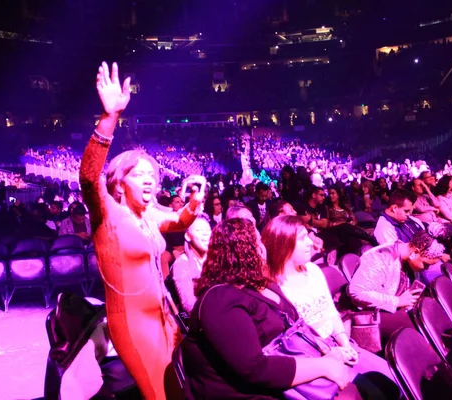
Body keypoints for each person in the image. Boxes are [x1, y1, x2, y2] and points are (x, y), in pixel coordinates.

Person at [80, 61, 206, 400]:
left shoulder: (149, 212)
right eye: (139, 174)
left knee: (178, 388)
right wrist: (110, 117)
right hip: (133, 325)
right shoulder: (108, 214)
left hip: (165, 316)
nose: (149, 179)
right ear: (120, 184)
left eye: (152, 174)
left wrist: (196, 200)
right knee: (158, 394)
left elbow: (180, 222)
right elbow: (90, 177)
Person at [181, 218, 350, 399]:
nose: (263, 248)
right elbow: (254, 369)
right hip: (248, 392)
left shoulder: (260, 285)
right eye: (258, 241)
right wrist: (322, 366)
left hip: (290, 373)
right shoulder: (219, 300)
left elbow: (295, 327)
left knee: (369, 385)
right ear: (244, 251)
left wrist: (324, 350)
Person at [263, 216, 400, 399]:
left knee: (391, 377)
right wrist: (330, 354)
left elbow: (330, 311)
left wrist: (343, 341)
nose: (310, 243)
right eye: (303, 238)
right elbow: (292, 342)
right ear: (284, 244)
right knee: (373, 393)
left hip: (335, 344)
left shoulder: (313, 270)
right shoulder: (274, 289)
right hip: (311, 358)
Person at [348, 231, 445, 345]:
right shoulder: (381, 257)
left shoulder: (406, 256)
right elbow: (357, 292)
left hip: (393, 309)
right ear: (415, 252)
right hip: (369, 314)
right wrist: (397, 301)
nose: (426, 268)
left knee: (430, 315)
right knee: (419, 328)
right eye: (425, 264)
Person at [171, 216, 212, 314]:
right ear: (188, 236)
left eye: (208, 230)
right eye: (199, 230)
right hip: (201, 317)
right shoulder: (182, 263)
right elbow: (189, 304)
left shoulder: (217, 259)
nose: (205, 233)